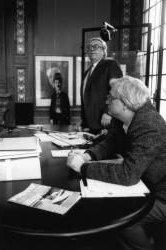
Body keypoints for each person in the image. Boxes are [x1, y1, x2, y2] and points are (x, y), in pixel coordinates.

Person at [67, 76, 166, 250]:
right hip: (146, 184)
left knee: (122, 220)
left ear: (125, 103)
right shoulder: (122, 118)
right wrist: (87, 155)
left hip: (161, 194)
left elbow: (128, 174)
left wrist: (83, 167)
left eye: (111, 98)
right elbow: (111, 142)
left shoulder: (149, 123)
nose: (107, 100)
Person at [79, 37, 122, 134]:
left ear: (104, 51)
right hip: (90, 125)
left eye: (96, 46)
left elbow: (117, 89)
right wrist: (83, 122)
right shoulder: (86, 73)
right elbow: (85, 98)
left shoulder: (110, 64)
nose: (92, 49)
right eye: (89, 47)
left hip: (105, 122)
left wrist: (108, 112)